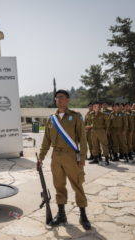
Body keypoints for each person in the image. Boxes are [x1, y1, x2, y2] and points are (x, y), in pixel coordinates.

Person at [38, 90, 91, 230]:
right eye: (56, 98)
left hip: (71, 156)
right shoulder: (51, 119)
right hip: (56, 157)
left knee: (77, 185)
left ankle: (83, 215)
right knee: (59, 186)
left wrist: (82, 157)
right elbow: (46, 141)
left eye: (61, 97)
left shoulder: (75, 117)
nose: (58, 100)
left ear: (67, 100)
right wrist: (41, 157)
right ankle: (61, 214)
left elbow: (83, 140)